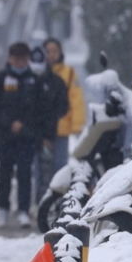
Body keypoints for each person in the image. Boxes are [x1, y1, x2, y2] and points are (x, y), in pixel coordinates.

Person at [0, 42, 40, 228]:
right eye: (16, 58)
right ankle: (3, 208)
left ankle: (24, 210)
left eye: (23, 58)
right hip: (5, 136)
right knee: (5, 173)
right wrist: (8, 123)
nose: (19, 62)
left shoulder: (34, 80)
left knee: (25, 173)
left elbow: (39, 108)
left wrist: (23, 124)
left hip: (27, 136)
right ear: (10, 58)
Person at [29, 46, 69, 204]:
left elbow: (61, 107)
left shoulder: (56, 82)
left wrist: (48, 133)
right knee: (37, 171)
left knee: (55, 169)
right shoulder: (28, 81)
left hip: (53, 132)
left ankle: (52, 202)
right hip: (30, 134)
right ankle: (40, 201)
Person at [43, 38, 86, 173]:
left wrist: (76, 124)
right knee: (42, 168)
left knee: (60, 167)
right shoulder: (39, 73)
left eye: (54, 51)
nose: (51, 54)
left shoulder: (69, 73)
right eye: (48, 51)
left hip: (62, 127)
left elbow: (76, 100)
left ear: (60, 52)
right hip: (41, 130)